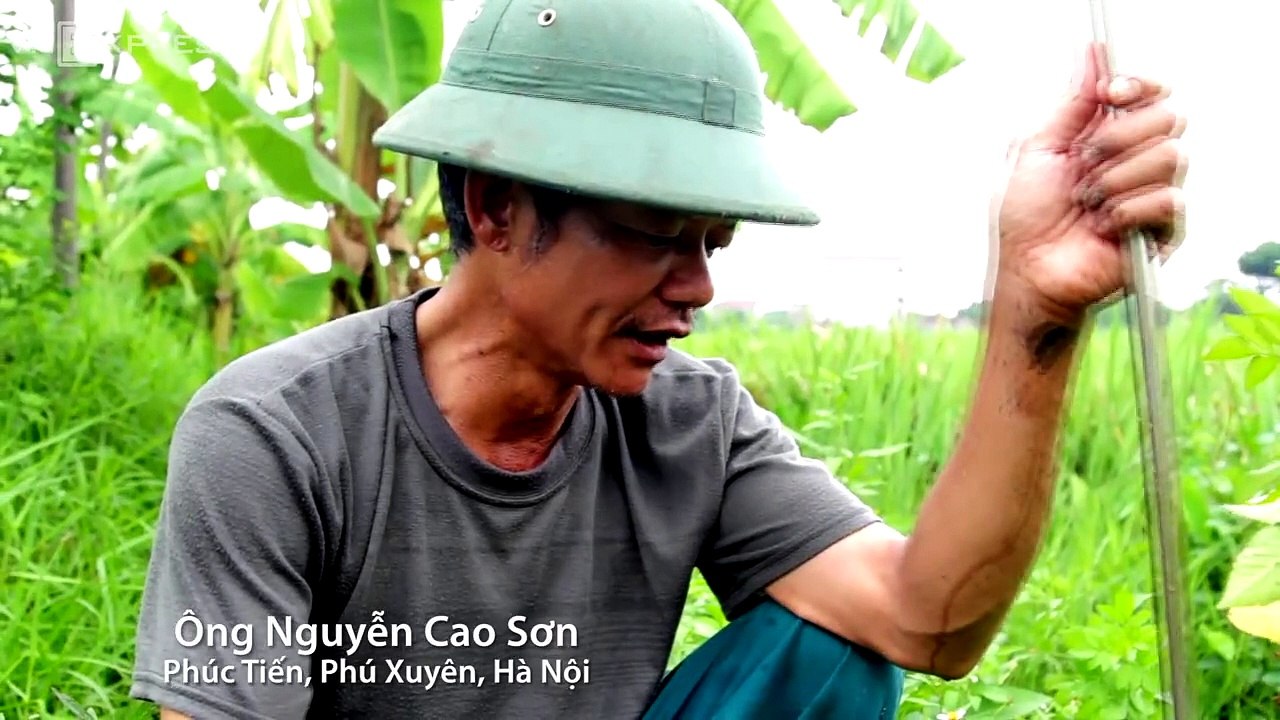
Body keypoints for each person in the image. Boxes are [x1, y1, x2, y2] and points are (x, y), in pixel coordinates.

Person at [129, 0, 1188, 718]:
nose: (696, 289)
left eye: (710, 245)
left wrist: (1032, 312)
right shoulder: (273, 433)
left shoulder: (687, 419)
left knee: (829, 654)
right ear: (496, 206)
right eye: (651, 233)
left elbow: (928, 618)